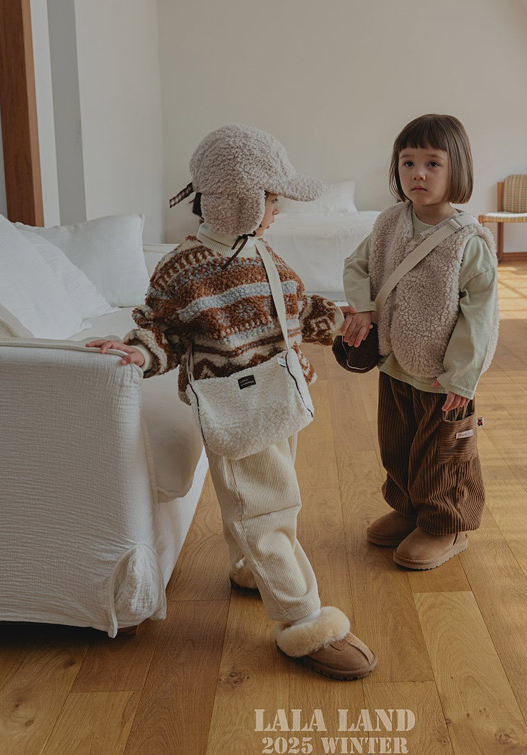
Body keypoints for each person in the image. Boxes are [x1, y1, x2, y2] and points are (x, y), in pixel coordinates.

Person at [87, 125, 376, 681]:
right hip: (235, 409)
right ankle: (303, 619)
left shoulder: (259, 251)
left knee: (271, 495)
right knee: (266, 509)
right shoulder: (183, 269)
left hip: (281, 395)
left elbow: (296, 306)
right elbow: (160, 329)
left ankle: (250, 566)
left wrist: (341, 321)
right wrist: (137, 352)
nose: (277, 210)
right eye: (270, 199)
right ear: (238, 200)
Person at [341, 114, 499, 571]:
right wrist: (363, 307)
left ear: (457, 170)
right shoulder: (390, 222)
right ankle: (410, 509)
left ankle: (445, 524)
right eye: (407, 162)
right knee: (398, 443)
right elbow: (357, 265)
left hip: (442, 375)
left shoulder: (468, 241)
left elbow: (480, 316)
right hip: (395, 362)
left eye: (432, 163)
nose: (418, 174)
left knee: (443, 452)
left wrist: (462, 377)